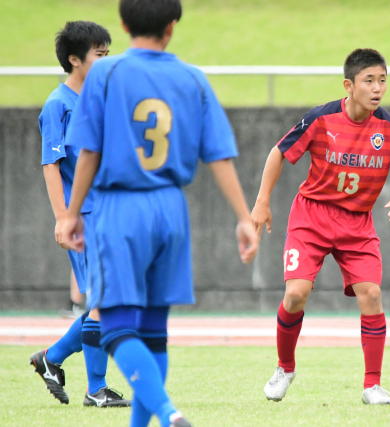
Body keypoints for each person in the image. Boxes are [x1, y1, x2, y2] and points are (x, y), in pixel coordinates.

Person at [57, 1, 259, 426]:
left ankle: (167, 414)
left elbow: (89, 150)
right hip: (171, 208)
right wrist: (243, 216)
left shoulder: (105, 74)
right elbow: (219, 154)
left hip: (120, 206)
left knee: (114, 327)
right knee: (154, 333)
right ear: (171, 27)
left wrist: (71, 213)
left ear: (124, 24)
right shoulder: (191, 77)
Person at [252, 48, 390, 405]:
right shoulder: (321, 118)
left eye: (382, 80)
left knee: (371, 294)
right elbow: (279, 152)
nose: (377, 88)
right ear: (349, 85)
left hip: (357, 224)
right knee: (296, 294)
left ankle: (372, 385)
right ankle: (285, 368)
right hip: (311, 217)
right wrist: (262, 201)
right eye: (369, 81)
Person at [31, 20, 130, 408]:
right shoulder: (58, 105)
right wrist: (62, 217)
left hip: (110, 212)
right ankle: (95, 389)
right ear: (74, 59)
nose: (107, 61)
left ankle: (52, 358)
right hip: (84, 217)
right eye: (99, 55)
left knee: (111, 302)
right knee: (105, 302)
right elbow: (51, 165)